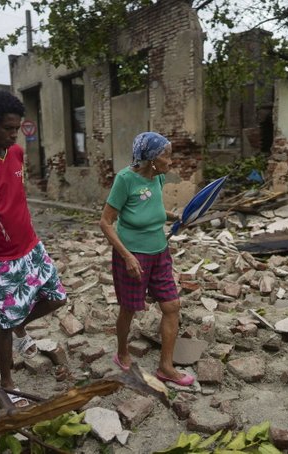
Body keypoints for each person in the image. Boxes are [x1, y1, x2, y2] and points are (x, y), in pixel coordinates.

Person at [0, 90, 66, 406]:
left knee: (57, 298)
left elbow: (14, 199)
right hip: (3, 260)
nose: (13, 134)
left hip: (32, 248)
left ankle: (19, 323)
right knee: (3, 326)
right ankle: (7, 383)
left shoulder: (16, 153)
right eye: (7, 128)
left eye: (16, 128)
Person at [100, 132, 195, 387]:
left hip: (160, 252)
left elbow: (150, 208)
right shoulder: (125, 179)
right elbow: (106, 222)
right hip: (132, 256)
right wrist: (127, 257)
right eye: (166, 155)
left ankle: (166, 367)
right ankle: (122, 352)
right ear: (152, 158)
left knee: (172, 306)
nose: (170, 161)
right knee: (129, 309)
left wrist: (173, 216)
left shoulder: (158, 177)